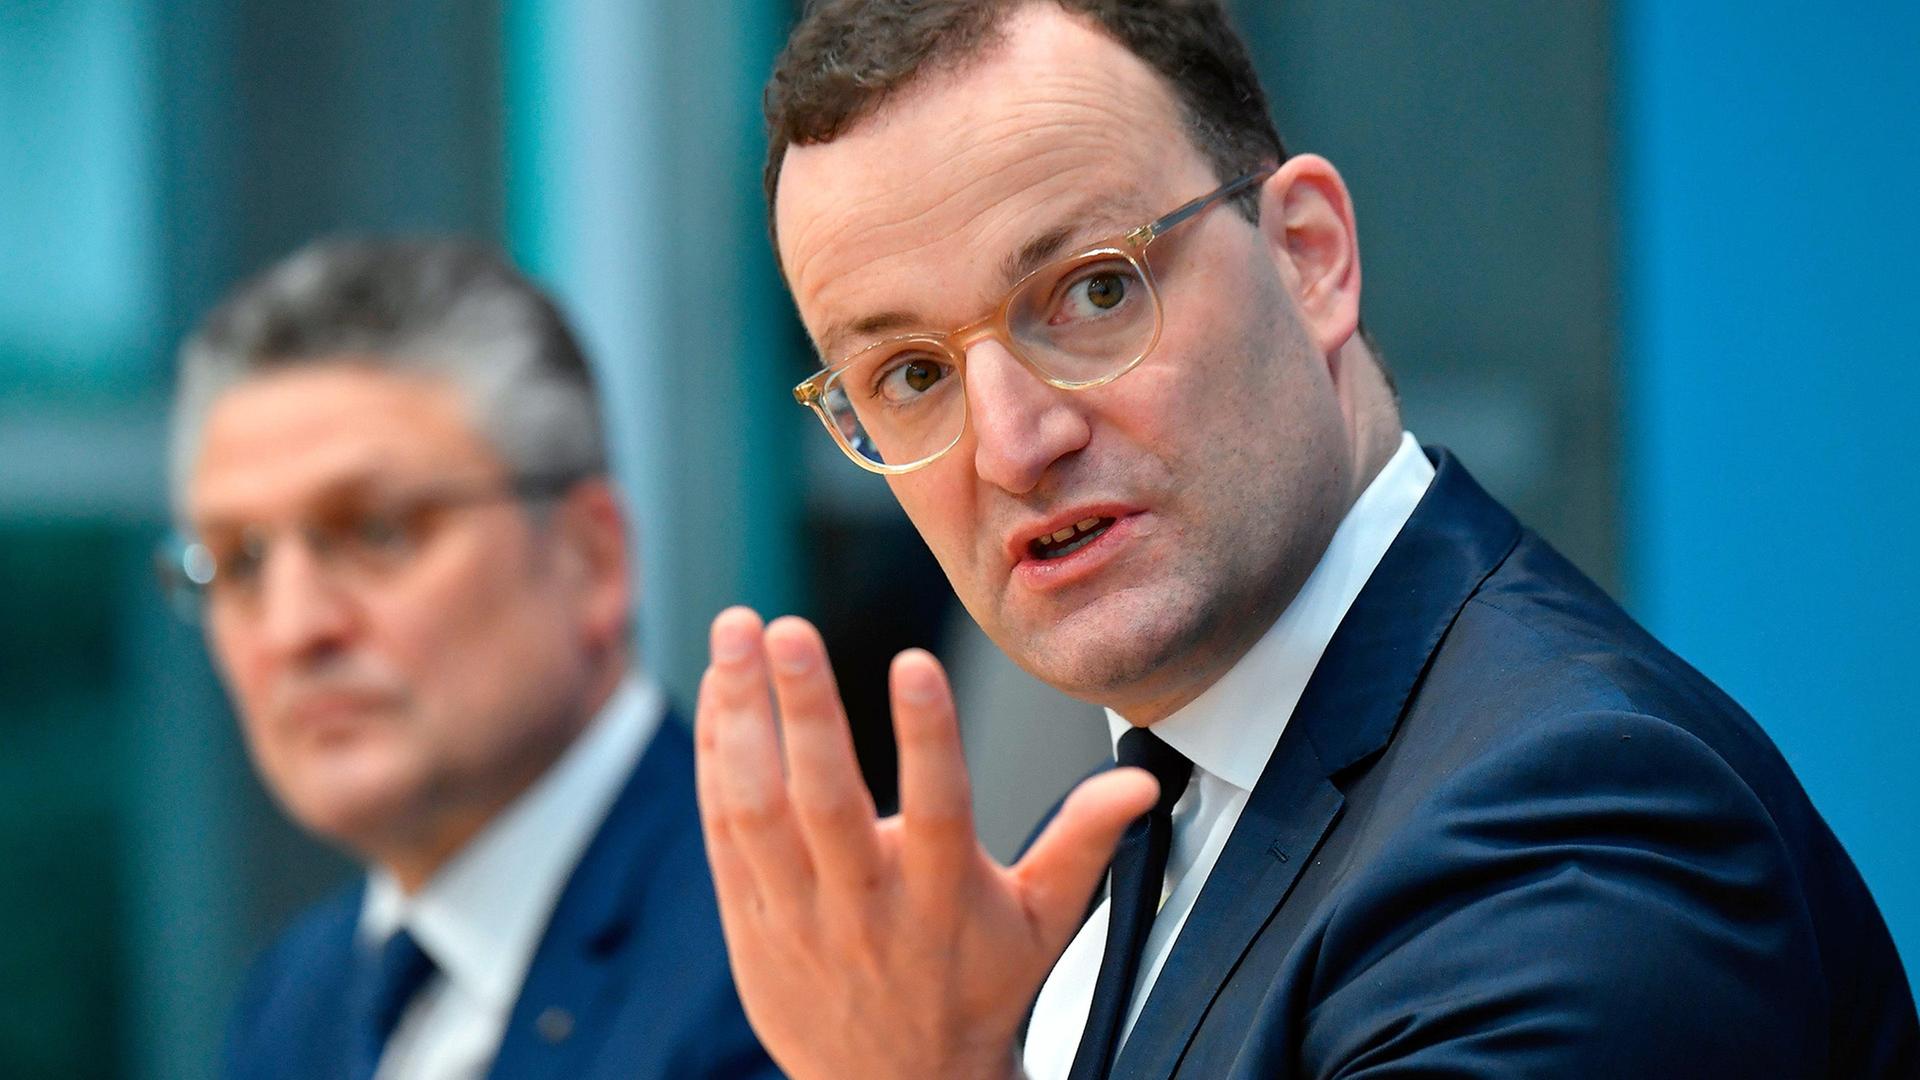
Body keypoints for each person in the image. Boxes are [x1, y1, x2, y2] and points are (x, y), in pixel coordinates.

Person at [692, 2, 1919, 1078]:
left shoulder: (1578, 824)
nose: (1013, 443)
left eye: (1094, 289)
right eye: (911, 374)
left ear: (1309, 258)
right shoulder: (1117, 842)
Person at [162, 239, 777, 1080]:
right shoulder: (297, 997)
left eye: (377, 530)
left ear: (591, 559)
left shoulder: (783, 953)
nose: (295, 627)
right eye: (239, 561)